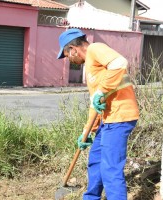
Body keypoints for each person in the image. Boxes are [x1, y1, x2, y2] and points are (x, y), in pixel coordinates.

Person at [57, 28, 139, 199]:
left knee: (110, 168)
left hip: (120, 117)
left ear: (73, 49)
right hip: (107, 120)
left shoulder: (95, 49)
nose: (69, 60)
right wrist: (86, 131)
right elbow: (95, 103)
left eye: (67, 55)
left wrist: (101, 91)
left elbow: (119, 62)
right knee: (95, 161)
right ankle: (91, 197)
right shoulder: (91, 68)